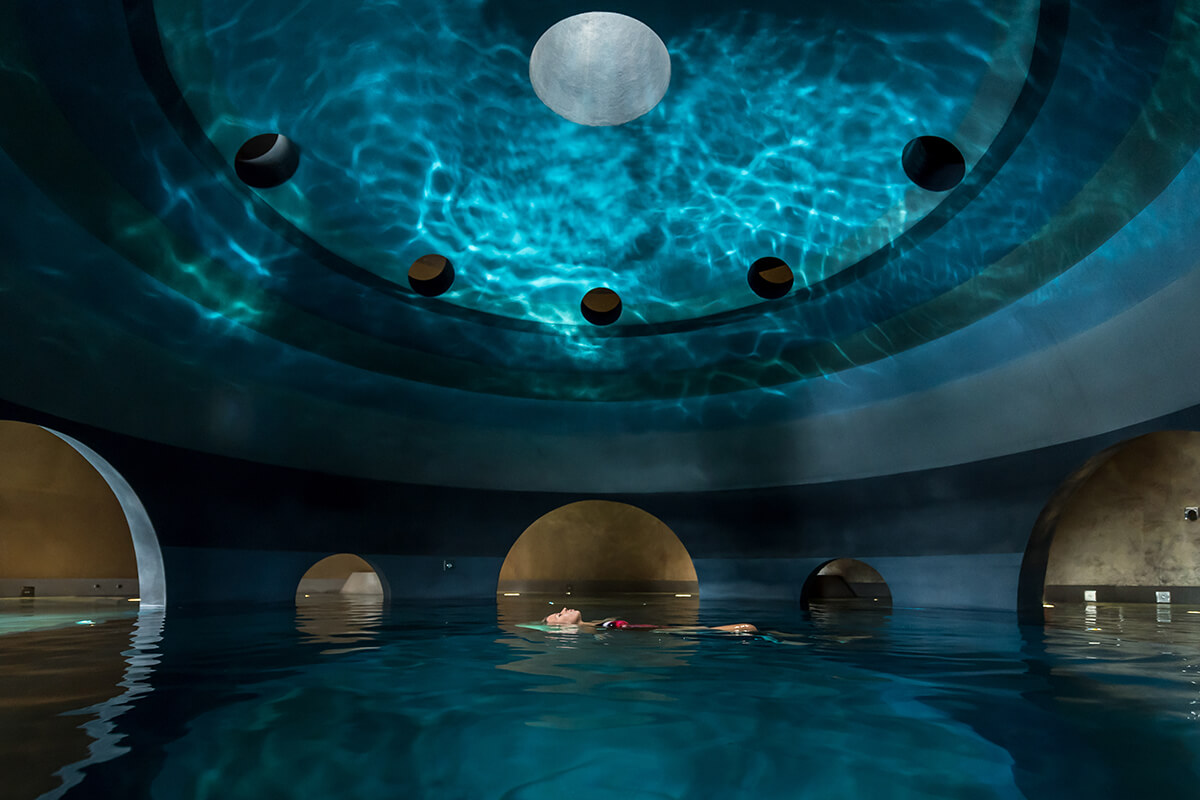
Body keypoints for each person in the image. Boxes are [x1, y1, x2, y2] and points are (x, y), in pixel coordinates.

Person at [539, 606, 757, 633]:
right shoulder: (586, 633)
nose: (564, 608)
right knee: (746, 628)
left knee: (750, 629)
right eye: (560, 614)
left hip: (650, 629)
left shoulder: (592, 625)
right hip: (651, 633)